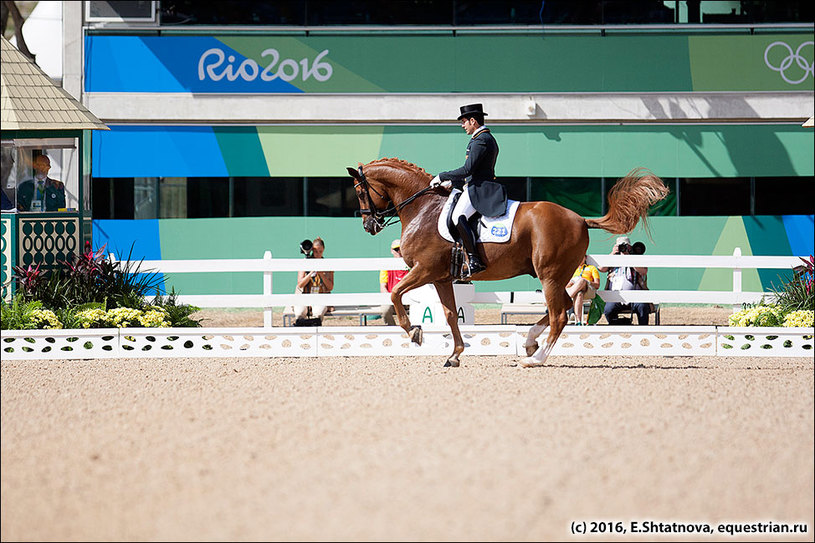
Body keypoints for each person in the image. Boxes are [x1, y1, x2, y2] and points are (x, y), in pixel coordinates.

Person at [429, 103, 505, 279]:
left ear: (473, 121)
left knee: (457, 217)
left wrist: (442, 175)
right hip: (473, 184)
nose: (463, 126)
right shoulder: (481, 139)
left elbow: (468, 169)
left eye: (464, 122)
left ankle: (474, 259)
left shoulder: (482, 140)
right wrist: (452, 182)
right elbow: (473, 171)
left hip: (479, 188)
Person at [598, 235, 651, 325]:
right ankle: (617, 326)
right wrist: (612, 253)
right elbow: (601, 268)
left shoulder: (636, 258)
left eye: (625, 246)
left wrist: (630, 258)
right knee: (608, 310)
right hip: (616, 297)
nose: (623, 249)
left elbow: (644, 271)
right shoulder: (612, 260)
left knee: (642, 306)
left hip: (635, 296)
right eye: (620, 247)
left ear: (630, 247)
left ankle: (643, 330)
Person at [292, 237, 334, 325]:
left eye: (320, 251)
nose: (318, 254)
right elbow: (300, 284)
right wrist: (310, 273)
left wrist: (321, 274)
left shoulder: (328, 264)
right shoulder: (305, 262)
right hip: (303, 297)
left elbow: (330, 287)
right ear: (311, 250)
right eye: (315, 251)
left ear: (323, 250)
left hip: (320, 297)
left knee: (318, 313)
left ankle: (315, 329)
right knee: (299, 313)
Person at [379, 238, 410, 325]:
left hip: (408, 298)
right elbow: (383, 287)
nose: (399, 252)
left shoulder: (410, 265)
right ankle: (392, 330)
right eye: (396, 249)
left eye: (401, 249)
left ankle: (412, 329)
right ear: (391, 251)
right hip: (392, 299)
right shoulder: (386, 266)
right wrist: (391, 299)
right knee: (385, 310)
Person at [565, 253, 600, 325]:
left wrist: (587, 282)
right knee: (579, 294)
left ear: (585, 257)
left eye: (581, 256)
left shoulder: (591, 268)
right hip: (575, 290)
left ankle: (566, 298)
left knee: (582, 280)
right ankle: (578, 321)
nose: (579, 258)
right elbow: (566, 285)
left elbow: (597, 285)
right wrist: (570, 283)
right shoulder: (571, 269)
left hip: (588, 289)